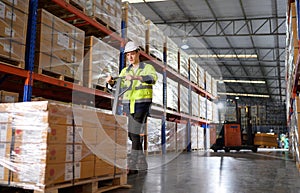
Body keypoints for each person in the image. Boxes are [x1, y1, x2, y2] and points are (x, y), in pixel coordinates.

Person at [106, 41, 158, 174]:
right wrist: (111, 82)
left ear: (138, 53)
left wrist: (136, 77)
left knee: (134, 132)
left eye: (132, 54)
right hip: (128, 105)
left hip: (142, 103)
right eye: (127, 55)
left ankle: (133, 165)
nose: (130, 57)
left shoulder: (147, 67)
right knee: (131, 134)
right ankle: (142, 162)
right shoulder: (124, 71)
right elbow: (120, 86)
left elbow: (153, 79)